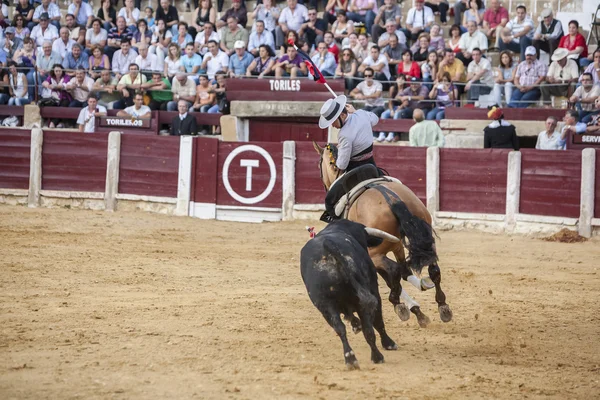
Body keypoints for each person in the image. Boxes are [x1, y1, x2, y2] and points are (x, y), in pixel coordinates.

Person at [317, 95, 379, 221]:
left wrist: (339, 151)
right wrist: (356, 112)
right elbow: (375, 119)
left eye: (333, 121)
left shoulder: (344, 135)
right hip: (373, 167)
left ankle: (335, 223)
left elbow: (342, 165)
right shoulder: (361, 114)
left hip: (354, 173)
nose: (332, 125)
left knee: (330, 200)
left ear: (343, 116)